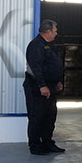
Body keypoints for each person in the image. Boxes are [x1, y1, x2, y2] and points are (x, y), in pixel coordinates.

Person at [23, 19, 65, 155]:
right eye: (55, 31)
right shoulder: (35, 45)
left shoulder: (50, 45)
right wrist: (42, 86)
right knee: (37, 116)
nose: (56, 34)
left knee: (49, 116)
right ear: (48, 31)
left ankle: (47, 143)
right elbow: (35, 68)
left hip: (50, 86)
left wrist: (57, 81)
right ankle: (35, 146)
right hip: (37, 87)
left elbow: (53, 65)